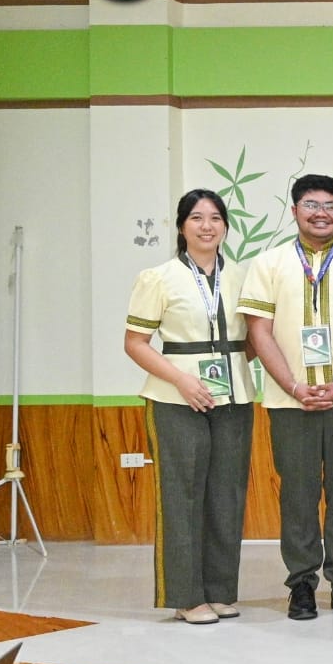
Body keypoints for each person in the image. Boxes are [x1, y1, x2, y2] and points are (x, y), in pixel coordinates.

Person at [238, 174, 333, 620]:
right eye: (311, 204)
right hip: (290, 402)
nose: (321, 213)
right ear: (294, 211)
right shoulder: (268, 264)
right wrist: (292, 386)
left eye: (331, 205)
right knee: (298, 495)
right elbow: (259, 332)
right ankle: (302, 584)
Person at [124, 189, 256, 625]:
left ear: (226, 227)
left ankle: (219, 591)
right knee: (181, 495)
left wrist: (236, 368)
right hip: (175, 399)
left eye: (215, 218)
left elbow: (256, 338)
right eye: (196, 217)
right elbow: (135, 343)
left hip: (233, 397)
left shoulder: (243, 277)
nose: (206, 226)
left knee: (227, 495)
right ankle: (185, 595)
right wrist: (182, 379)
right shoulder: (158, 278)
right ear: (182, 226)